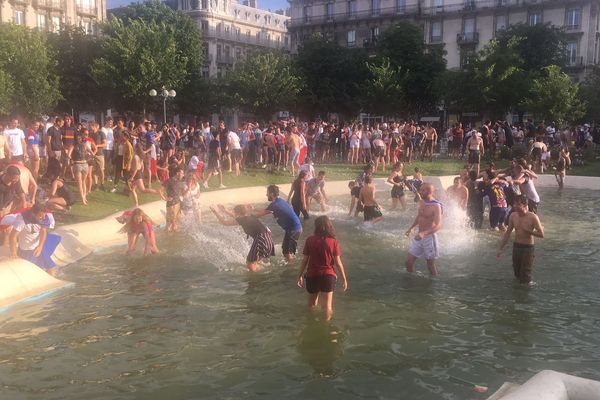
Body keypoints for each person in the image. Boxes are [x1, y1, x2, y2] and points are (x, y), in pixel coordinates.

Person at [296, 215, 348, 321]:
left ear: (316, 227)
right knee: (327, 307)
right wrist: (344, 278)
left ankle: (311, 324)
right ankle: (327, 327)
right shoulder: (333, 241)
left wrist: (299, 275)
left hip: (312, 275)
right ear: (329, 226)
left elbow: (305, 260)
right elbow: (338, 262)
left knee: (311, 304)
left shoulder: (310, 240)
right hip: (328, 276)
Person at [210, 204, 275, 272]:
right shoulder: (250, 216)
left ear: (237, 213)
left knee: (249, 264)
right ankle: (262, 273)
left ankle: (257, 279)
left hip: (261, 239)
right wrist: (225, 211)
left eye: (235, 212)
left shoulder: (242, 220)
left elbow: (224, 223)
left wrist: (215, 212)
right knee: (255, 262)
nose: (234, 213)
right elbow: (236, 217)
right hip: (268, 239)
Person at [497, 194, 544, 284]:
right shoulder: (513, 216)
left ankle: (525, 293)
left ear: (525, 205)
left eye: (518, 204)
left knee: (525, 275)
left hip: (528, 248)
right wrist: (500, 248)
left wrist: (529, 232)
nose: (515, 206)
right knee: (517, 273)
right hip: (516, 247)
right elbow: (507, 233)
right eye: (515, 204)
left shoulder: (533, 217)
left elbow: (541, 234)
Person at [254, 185, 302, 261]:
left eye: (267, 193)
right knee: (286, 251)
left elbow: (259, 215)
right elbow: (264, 211)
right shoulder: (280, 201)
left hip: (293, 230)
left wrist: (246, 216)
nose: (266, 195)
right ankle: (291, 263)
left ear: (272, 194)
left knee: (287, 253)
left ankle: (291, 268)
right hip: (294, 229)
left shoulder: (275, 205)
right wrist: (253, 209)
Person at [404, 183, 443, 276]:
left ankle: (434, 284)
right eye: (420, 190)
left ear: (430, 192)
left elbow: (438, 225)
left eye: (423, 190)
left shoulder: (436, 206)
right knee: (408, 262)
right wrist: (411, 228)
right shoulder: (422, 202)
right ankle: (410, 283)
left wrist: (424, 233)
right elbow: (419, 217)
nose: (420, 192)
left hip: (429, 238)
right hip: (419, 237)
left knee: (430, 265)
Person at [163, 167, 185, 232]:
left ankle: (174, 239)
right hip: (172, 205)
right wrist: (165, 198)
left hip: (178, 204)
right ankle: (168, 239)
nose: (183, 175)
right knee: (170, 224)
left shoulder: (179, 182)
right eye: (182, 173)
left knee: (176, 224)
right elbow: (160, 190)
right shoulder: (169, 181)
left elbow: (181, 193)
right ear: (177, 173)